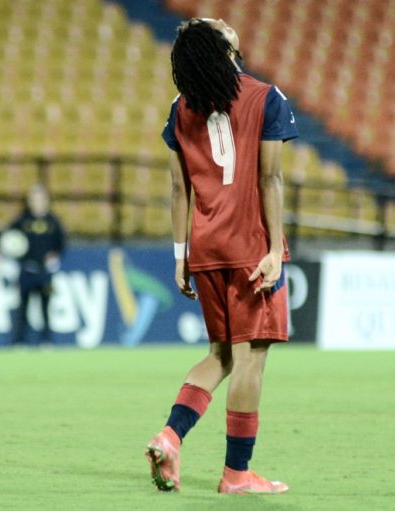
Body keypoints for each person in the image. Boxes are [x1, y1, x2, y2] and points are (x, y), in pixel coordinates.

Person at [145, 18, 298, 495]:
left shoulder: (180, 106)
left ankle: (169, 437)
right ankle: (237, 474)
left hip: (205, 246)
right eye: (216, 25)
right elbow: (269, 179)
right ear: (224, 47)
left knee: (219, 355)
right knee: (250, 357)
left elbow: (177, 186)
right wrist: (274, 249)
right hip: (250, 245)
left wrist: (179, 256)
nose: (223, 22)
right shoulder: (264, 97)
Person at [0, 183, 66, 347]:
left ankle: (46, 340)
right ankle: (20, 340)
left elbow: (61, 243)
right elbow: (5, 236)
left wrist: (54, 254)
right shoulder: (23, 220)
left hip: (45, 273)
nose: (37, 202)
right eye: (34, 198)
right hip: (27, 270)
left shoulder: (53, 221)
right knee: (22, 307)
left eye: (40, 198)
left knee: (45, 307)